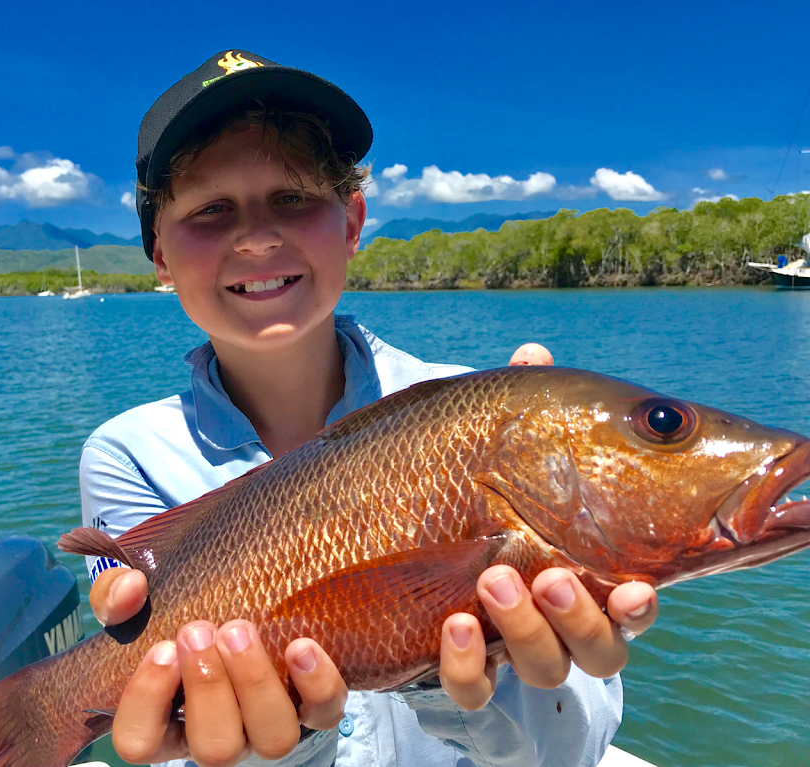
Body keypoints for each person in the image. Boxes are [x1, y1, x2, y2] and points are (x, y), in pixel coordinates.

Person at [80, 50, 659, 767]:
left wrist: (461, 675)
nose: (257, 235)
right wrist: (290, 732)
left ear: (352, 221)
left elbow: (571, 748)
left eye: (293, 198)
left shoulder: (477, 412)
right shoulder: (126, 452)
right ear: (158, 253)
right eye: (211, 210)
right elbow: (178, 727)